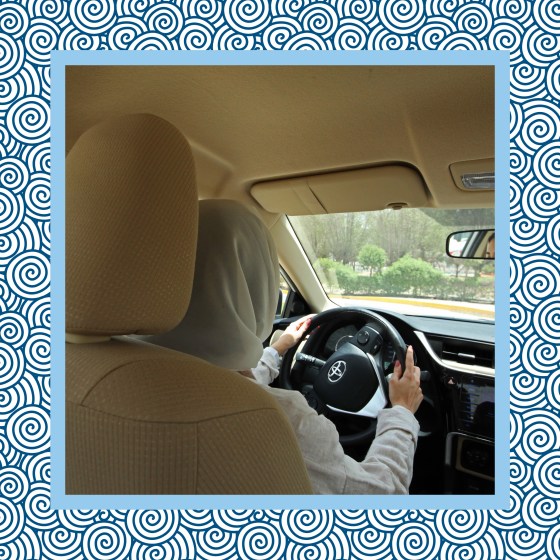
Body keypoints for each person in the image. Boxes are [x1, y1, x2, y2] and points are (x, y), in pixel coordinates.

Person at [149, 200, 422, 494]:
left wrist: (279, 349)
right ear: (260, 286)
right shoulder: (282, 420)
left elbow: (226, 382)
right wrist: (402, 413)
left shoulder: (114, 377)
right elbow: (382, 494)